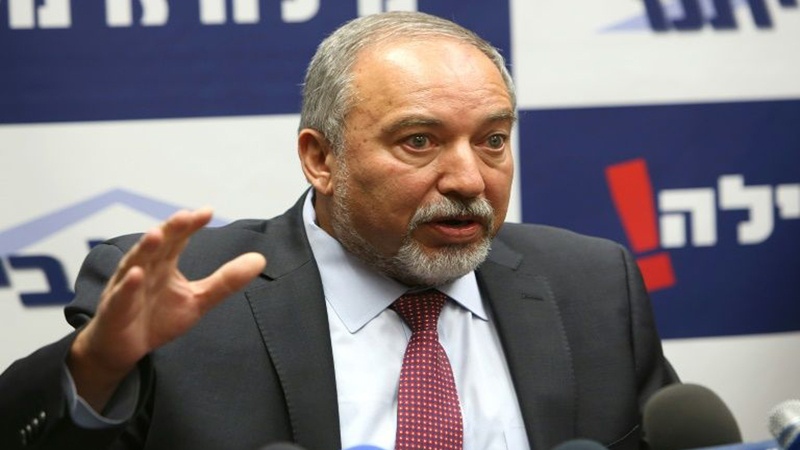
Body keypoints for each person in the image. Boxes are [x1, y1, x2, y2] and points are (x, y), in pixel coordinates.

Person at [0, 11, 678, 450]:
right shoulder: (186, 295)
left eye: (493, 139)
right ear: (321, 159)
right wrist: (97, 367)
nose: (470, 179)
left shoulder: (592, 286)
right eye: (419, 141)